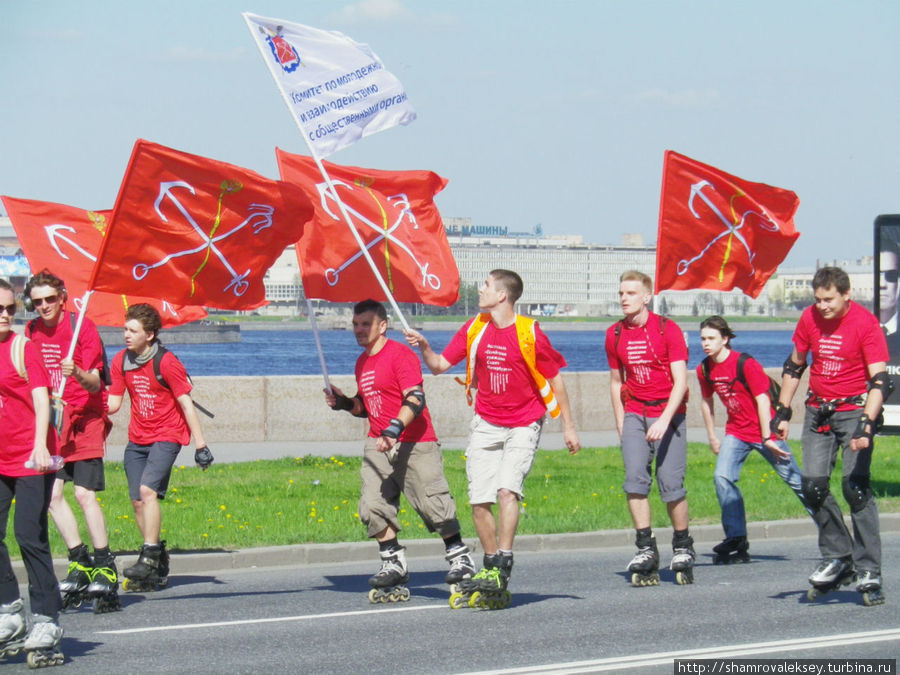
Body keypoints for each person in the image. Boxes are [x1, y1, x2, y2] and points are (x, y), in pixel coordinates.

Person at [407, 269, 580, 607]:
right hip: (487, 421)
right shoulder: (475, 328)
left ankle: (504, 559)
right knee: (478, 499)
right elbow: (440, 365)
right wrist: (425, 348)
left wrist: (569, 427)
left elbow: (555, 380)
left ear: (502, 295)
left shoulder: (529, 332)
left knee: (506, 490)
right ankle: (489, 566)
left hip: (524, 422)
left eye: (486, 285)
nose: (480, 289)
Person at [325, 299, 475, 603]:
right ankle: (392, 562)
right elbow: (364, 408)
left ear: (383, 326)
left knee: (433, 503)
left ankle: (460, 558)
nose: (359, 330)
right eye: (355, 324)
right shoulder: (361, 363)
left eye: (366, 324)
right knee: (372, 505)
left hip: (414, 440)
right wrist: (342, 403)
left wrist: (394, 429)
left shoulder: (400, 355)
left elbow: (415, 399)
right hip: (378, 442)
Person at [772, 266, 890, 605]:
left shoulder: (865, 324)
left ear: (846, 295)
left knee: (855, 488)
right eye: (818, 299)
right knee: (812, 485)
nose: (822, 306)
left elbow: (880, 380)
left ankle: (869, 568)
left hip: (854, 411)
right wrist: (782, 411)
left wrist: (866, 423)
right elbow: (795, 365)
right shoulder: (809, 318)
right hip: (818, 411)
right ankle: (840, 556)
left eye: (829, 299)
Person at [23, 271, 118, 612]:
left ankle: (106, 564)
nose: (44, 306)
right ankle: (80, 559)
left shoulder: (83, 327)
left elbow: (96, 384)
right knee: (52, 495)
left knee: (83, 493)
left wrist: (76, 372)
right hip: (54, 419)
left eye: (50, 299)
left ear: (63, 297)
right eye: (37, 301)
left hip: (86, 419)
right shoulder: (32, 330)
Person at [106, 304, 213, 591]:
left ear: (150, 335)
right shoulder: (120, 361)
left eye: (132, 330)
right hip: (138, 438)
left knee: (147, 491)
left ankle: (150, 554)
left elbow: (186, 404)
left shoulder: (166, 362)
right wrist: (83, 391)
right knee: (137, 501)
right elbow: (113, 405)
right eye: (125, 329)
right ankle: (157, 562)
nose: (126, 335)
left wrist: (201, 445)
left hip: (168, 434)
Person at [697, 315, 811, 564]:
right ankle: (736, 539)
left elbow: (762, 399)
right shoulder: (704, 369)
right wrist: (712, 436)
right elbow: (706, 402)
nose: (706, 343)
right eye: (703, 338)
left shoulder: (745, 363)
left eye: (711, 338)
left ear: (725, 339)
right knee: (722, 477)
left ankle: (835, 536)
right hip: (736, 432)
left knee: (797, 482)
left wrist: (767, 436)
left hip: (765, 431)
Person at [606, 270, 693, 586]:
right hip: (635, 413)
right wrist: (621, 422)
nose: (624, 299)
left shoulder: (667, 330)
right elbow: (617, 382)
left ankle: (682, 545)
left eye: (630, 293)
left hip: (670, 414)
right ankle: (645, 547)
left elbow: (681, 381)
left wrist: (665, 420)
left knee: (670, 483)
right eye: (621, 293)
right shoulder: (615, 334)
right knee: (634, 481)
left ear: (646, 296)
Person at [0, 278, 64, 666]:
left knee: (29, 534)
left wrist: (41, 446)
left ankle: (46, 618)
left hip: (31, 457)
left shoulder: (25, 348)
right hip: (0, 455)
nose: (5, 315)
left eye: (10, 309)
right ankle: (9, 610)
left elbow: (42, 401)